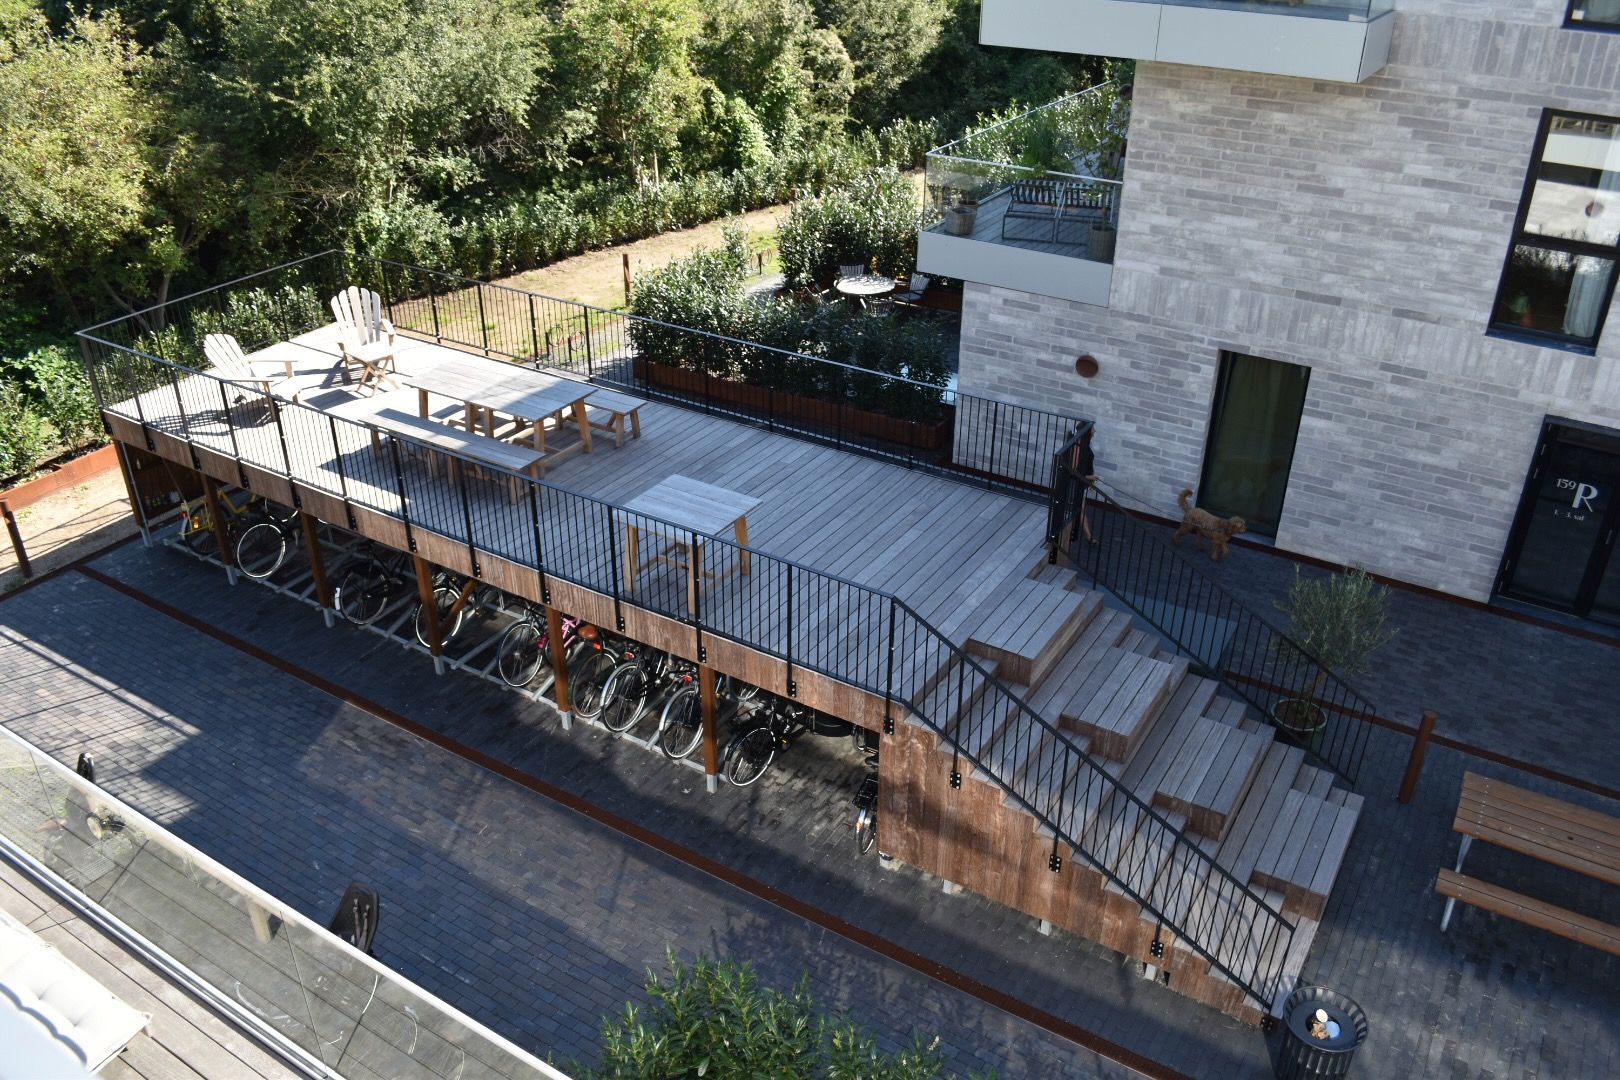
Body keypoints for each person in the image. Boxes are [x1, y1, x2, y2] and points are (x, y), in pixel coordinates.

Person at [1070, 426, 1099, 544]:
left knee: (1081, 509)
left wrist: (1091, 480)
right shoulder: (1078, 447)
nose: (1094, 431)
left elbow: (1088, 464)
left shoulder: (1085, 445)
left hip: (1084, 483)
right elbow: (1073, 471)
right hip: (1076, 483)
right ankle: (1088, 536)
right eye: (1092, 429)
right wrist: (1089, 477)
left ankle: (1075, 531)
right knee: (1081, 509)